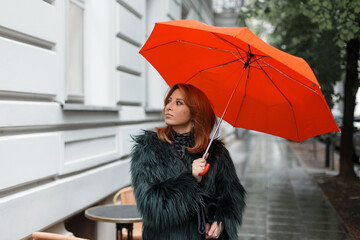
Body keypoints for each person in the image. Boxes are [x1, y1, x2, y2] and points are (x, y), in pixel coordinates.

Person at [130, 84, 246, 240]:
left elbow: (232, 194)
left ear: (195, 112)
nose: (168, 107)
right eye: (169, 100)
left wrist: (220, 221)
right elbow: (151, 206)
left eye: (178, 103)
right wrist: (191, 180)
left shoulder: (215, 151)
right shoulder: (149, 148)